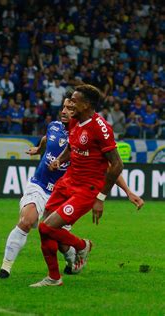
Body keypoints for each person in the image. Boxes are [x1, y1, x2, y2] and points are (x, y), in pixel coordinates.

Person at [0, 95, 144, 280]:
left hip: (67, 192)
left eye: (69, 108)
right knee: (26, 220)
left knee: (58, 238)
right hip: (40, 185)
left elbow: (110, 167)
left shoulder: (86, 134)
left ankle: (72, 261)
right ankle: (5, 270)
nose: (64, 111)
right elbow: (47, 139)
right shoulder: (54, 126)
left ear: (78, 109)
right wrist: (39, 150)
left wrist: (128, 192)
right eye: (63, 107)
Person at [31, 84, 126, 287]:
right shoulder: (74, 121)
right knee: (44, 227)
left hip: (87, 189)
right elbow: (72, 145)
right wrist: (60, 158)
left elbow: (117, 164)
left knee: (46, 227)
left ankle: (82, 245)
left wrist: (100, 198)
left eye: (74, 101)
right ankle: (54, 278)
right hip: (67, 181)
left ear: (87, 104)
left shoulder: (101, 128)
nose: (70, 104)